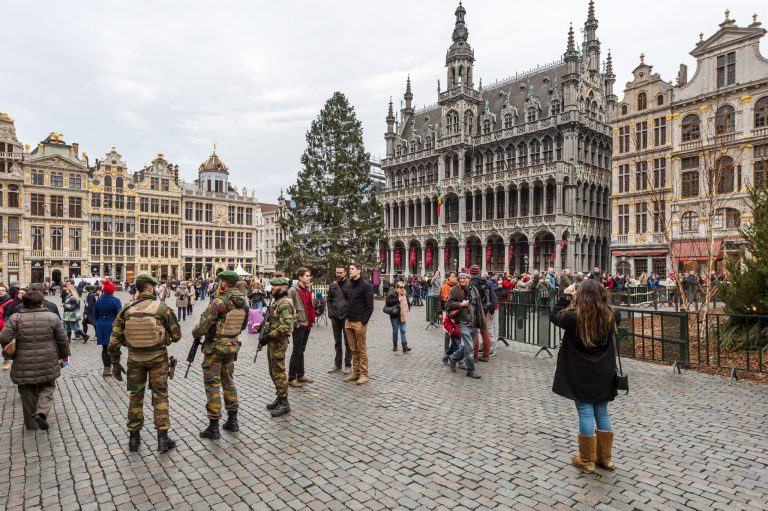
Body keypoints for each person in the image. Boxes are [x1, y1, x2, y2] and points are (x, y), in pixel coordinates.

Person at [550, 279, 621, 474]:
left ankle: (587, 459)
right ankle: (606, 459)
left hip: (580, 371)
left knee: (586, 413)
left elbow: (554, 315)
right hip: (603, 371)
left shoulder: (573, 317)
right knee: (602, 412)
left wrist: (566, 296)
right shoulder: (612, 315)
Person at [109, 274, 182, 452]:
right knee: (160, 395)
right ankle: (163, 439)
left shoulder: (126, 310)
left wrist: (116, 364)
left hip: (134, 358)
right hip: (157, 358)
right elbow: (177, 335)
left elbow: (113, 342)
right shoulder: (162, 309)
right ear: (150, 288)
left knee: (135, 395)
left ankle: (134, 439)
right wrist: (163, 338)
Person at [0, 291, 69, 431]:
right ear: (41, 302)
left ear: (23, 302)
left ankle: (32, 425)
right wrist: (64, 356)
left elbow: (3, 337)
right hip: (48, 359)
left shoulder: (15, 318)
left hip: (22, 361)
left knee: (26, 390)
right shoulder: (52, 317)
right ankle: (42, 412)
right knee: (47, 386)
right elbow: (63, 340)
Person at [193, 271, 249, 440]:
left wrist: (196, 332)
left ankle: (214, 427)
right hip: (231, 347)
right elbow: (243, 326)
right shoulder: (243, 303)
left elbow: (202, 326)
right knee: (229, 382)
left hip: (215, 349)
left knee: (212, 385)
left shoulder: (219, 302)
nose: (219, 284)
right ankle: (233, 421)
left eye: (220, 282)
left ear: (224, 283)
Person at [262, 277, 294, 417]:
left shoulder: (285, 304)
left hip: (278, 342)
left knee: (279, 372)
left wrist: (268, 336)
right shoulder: (277, 302)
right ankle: (279, 397)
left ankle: (285, 402)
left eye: (274, 287)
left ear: (282, 288)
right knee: (273, 370)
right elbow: (275, 321)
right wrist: (263, 327)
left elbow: (285, 327)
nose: (272, 289)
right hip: (273, 342)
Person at [446, 272, 483, 379]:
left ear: (469, 279)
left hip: (474, 322)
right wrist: (460, 304)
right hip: (463, 322)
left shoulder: (474, 290)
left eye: (464, 278)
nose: (462, 280)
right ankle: (470, 370)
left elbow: (478, 306)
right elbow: (448, 304)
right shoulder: (455, 290)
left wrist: (481, 321)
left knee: (468, 346)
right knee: (470, 348)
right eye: (460, 278)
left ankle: (453, 357)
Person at [343, 262, 374, 385]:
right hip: (349, 321)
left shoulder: (366, 285)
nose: (350, 271)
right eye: (349, 268)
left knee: (361, 349)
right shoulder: (350, 285)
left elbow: (370, 306)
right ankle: (355, 372)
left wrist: (364, 321)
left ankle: (364, 374)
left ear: (359, 270)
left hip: (359, 322)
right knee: (352, 349)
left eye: (352, 269)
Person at [287, 268, 315, 388]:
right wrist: (296, 323)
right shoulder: (293, 290)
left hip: (307, 323)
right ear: (300, 277)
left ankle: (301, 374)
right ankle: (292, 377)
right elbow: (289, 309)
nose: (309, 278)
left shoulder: (307, 289)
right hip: (299, 324)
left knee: (301, 350)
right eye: (307, 276)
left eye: (309, 276)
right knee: (296, 351)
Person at [327, 265, 352, 373]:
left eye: (340, 272)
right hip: (335, 317)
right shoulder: (332, 285)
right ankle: (337, 365)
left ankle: (347, 365)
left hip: (346, 317)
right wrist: (330, 312)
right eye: (337, 272)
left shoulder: (350, 284)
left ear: (345, 273)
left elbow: (352, 301)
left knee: (348, 342)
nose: (338, 274)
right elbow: (329, 300)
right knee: (337, 342)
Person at [95, 280, 122, 377]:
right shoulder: (116, 301)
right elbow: (120, 316)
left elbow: (96, 315)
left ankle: (106, 370)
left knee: (105, 348)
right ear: (112, 291)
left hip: (101, 326)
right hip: (112, 326)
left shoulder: (98, 301)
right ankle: (115, 367)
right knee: (115, 348)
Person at [469, 265, 493, 362]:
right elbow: (490, 297)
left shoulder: (471, 283)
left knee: (475, 332)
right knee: (484, 331)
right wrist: (489, 311)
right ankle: (486, 355)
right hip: (485, 308)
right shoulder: (486, 282)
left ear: (471, 272)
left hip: (475, 309)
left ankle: (474, 357)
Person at [386, 281, 411, 353]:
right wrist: (398, 300)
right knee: (395, 331)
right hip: (394, 316)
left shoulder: (405, 295)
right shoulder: (393, 294)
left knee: (403, 330)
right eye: (401, 287)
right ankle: (395, 344)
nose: (403, 288)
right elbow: (388, 302)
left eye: (403, 287)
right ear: (396, 288)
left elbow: (408, 304)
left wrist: (406, 310)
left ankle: (404, 346)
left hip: (403, 315)